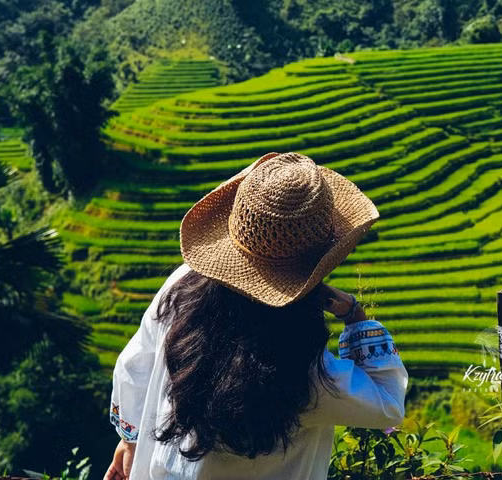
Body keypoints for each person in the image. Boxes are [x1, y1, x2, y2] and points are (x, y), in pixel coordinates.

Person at [103, 152, 407, 480]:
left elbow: (133, 366)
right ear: (319, 264)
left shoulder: (181, 289)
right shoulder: (304, 376)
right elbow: (387, 402)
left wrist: (129, 442)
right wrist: (355, 315)